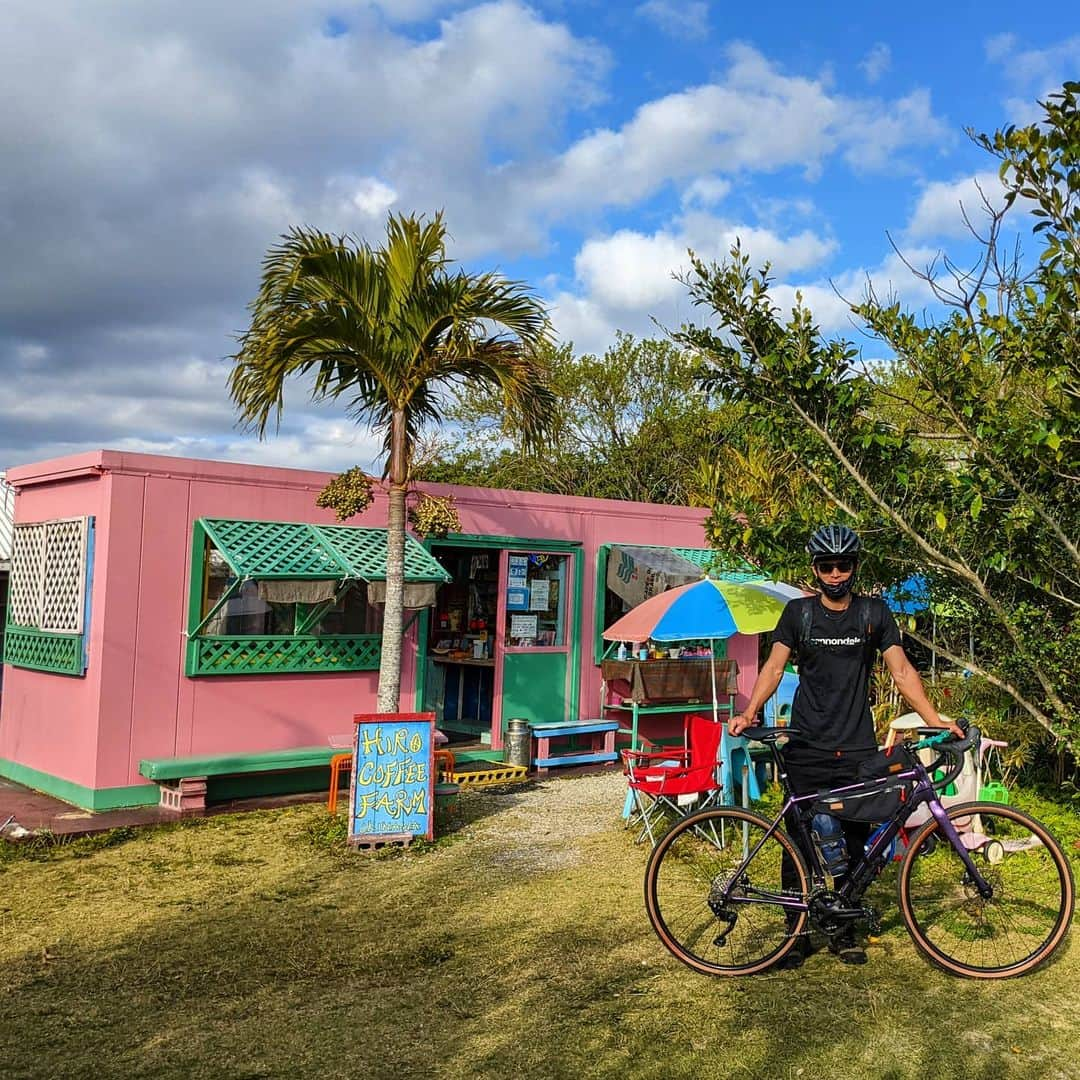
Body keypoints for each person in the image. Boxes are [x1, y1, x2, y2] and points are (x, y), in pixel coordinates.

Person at [729, 524, 960, 968]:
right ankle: (792, 933)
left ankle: (843, 928)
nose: (836, 574)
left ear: (855, 567)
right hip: (806, 743)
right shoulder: (798, 614)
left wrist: (935, 720)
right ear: (815, 570)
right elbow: (774, 668)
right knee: (797, 840)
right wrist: (750, 711)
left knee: (855, 837)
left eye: (844, 565)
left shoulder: (874, 614)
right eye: (827, 566)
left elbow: (903, 672)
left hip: (856, 746)